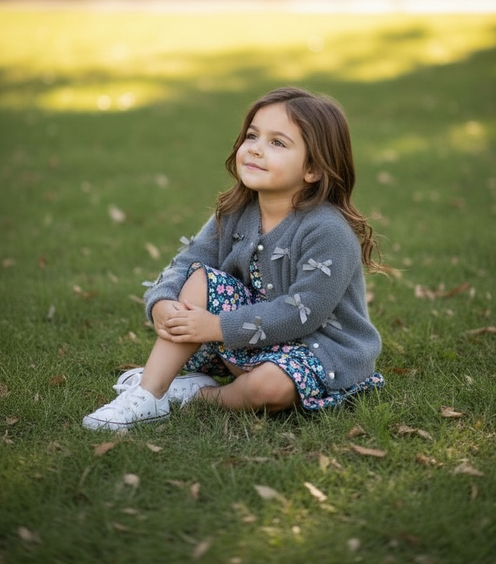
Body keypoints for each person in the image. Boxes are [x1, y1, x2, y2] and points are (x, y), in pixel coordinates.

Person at [83, 87, 385, 431]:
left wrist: (215, 327)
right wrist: (161, 301)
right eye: (252, 135)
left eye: (278, 143)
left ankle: (196, 396)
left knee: (267, 387)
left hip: (319, 350)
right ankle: (149, 394)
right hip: (248, 340)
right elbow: (189, 260)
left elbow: (304, 312)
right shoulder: (236, 211)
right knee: (199, 278)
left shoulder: (327, 231)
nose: (255, 148)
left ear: (313, 169)